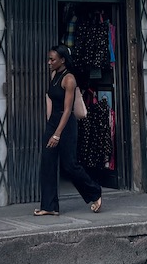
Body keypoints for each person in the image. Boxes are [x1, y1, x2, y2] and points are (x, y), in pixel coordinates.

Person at [35, 44, 104, 216]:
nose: (49, 62)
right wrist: (49, 125)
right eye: (49, 59)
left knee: (69, 165)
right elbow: (50, 99)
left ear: (62, 60)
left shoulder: (69, 79)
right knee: (48, 162)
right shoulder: (54, 75)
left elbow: (67, 110)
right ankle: (49, 206)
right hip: (53, 122)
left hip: (66, 125)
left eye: (52, 59)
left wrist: (57, 134)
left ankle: (95, 192)